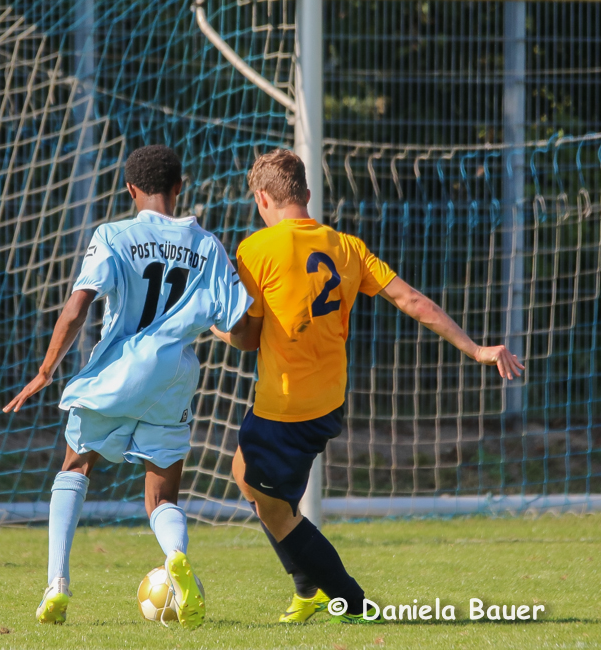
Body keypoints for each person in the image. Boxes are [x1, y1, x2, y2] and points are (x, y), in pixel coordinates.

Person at [212, 149, 524, 623]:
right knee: (244, 472)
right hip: (329, 401)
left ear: (261, 199)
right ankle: (307, 587)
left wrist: (217, 328)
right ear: (307, 194)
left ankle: (350, 602)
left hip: (286, 407)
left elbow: (246, 338)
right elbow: (412, 301)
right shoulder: (347, 247)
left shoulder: (256, 250)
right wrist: (476, 348)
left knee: (274, 509)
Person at [3, 145, 252, 629]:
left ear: (130, 189)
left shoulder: (114, 235)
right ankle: (175, 555)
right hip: (173, 379)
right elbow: (240, 327)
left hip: (118, 373)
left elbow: (77, 307)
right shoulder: (208, 246)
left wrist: (46, 370)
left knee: (76, 465)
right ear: (179, 187)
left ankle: (57, 584)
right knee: (162, 497)